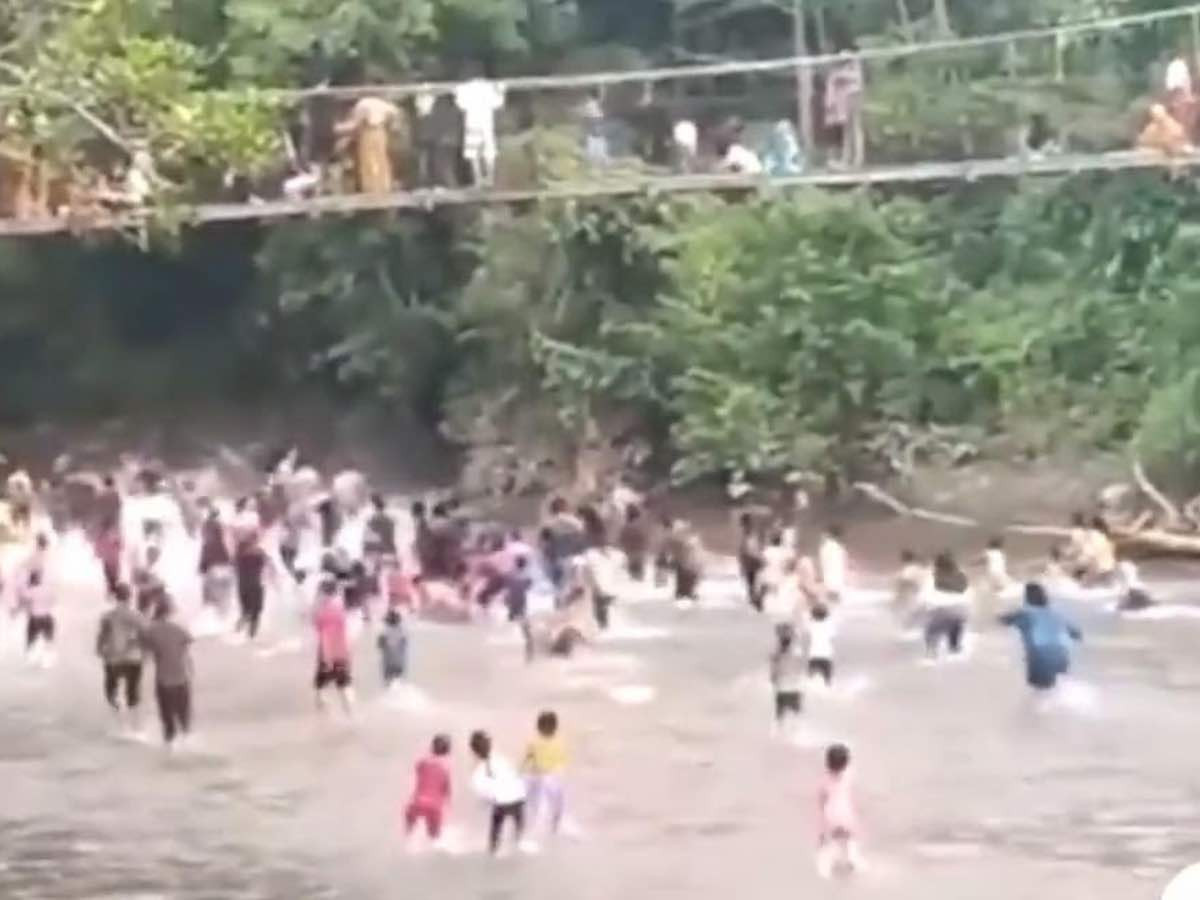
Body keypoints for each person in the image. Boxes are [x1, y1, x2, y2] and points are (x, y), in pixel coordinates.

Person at [999, 582, 1082, 693]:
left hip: (1041, 657)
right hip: (1062, 656)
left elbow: (1004, 621)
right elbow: (1076, 634)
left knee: (1040, 693)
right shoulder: (1055, 613)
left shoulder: (1025, 613)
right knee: (1055, 690)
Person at [141, 599, 194, 749]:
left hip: (164, 681)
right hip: (182, 679)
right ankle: (187, 749)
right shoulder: (179, 629)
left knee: (168, 722)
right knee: (184, 721)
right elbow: (187, 655)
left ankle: (169, 751)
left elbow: (146, 654)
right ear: (169, 612)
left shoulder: (150, 630)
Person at [469, 730, 529, 855]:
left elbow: (483, 793)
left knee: (496, 828)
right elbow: (515, 776)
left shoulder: (478, 769)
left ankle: (493, 849)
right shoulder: (500, 759)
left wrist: (484, 804)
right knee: (519, 824)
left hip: (502, 803)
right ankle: (519, 841)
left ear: (474, 751)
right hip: (518, 799)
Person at [96, 583, 146, 732]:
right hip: (134, 657)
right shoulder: (137, 615)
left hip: (113, 658)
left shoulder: (107, 616)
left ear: (115, 596)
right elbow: (145, 635)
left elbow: (102, 636)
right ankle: (136, 727)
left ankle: (119, 723)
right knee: (133, 691)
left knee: (111, 690)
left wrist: (99, 649)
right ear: (130, 597)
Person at [336, 96, 401, 194]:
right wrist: (392, 124)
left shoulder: (361, 105)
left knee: (369, 162)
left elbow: (355, 125)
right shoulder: (379, 102)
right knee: (381, 160)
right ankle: (384, 187)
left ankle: (371, 189)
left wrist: (338, 128)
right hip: (380, 131)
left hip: (368, 132)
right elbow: (395, 111)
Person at [816, 743, 863, 878]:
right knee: (850, 841)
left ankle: (825, 872)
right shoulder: (849, 775)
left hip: (830, 815)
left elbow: (822, 799)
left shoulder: (824, 779)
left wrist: (821, 827)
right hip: (847, 814)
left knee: (827, 845)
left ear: (827, 763)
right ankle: (854, 862)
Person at [454, 71, 505, 187]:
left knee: (474, 152)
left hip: (473, 122)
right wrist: (501, 90)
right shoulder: (489, 86)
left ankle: (479, 179)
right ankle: (489, 179)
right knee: (487, 152)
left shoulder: (464, 87)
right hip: (485, 122)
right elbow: (498, 103)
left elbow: (460, 104)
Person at [523, 710, 568, 836]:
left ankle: (551, 828)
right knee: (552, 804)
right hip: (550, 776)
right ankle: (552, 828)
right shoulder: (556, 742)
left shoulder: (536, 742)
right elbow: (529, 759)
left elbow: (528, 759)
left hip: (550, 776)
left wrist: (523, 772)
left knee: (551, 804)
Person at [313, 579, 354, 713]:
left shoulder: (322, 610)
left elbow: (318, 627)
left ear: (323, 592)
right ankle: (350, 711)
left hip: (327, 650)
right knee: (343, 682)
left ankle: (322, 707)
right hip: (341, 649)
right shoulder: (340, 607)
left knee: (322, 680)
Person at [405, 734, 453, 846]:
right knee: (434, 838)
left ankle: (406, 845)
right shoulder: (447, 766)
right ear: (448, 750)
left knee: (409, 831)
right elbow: (447, 790)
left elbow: (418, 770)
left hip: (417, 802)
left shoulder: (422, 761)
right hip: (435, 806)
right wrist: (448, 803)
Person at [825, 45, 866, 169]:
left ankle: (858, 158)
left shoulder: (854, 63)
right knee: (846, 130)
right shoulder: (843, 66)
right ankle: (846, 158)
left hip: (854, 96)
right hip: (845, 100)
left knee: (856, 128)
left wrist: (840, 74)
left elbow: (857, 79)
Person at [925, 551, 970, 658]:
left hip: (941, 608)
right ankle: (954, 647)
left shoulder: (934, 574)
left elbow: (926, 594)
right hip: (961, 609)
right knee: (956, 624)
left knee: (932, 630)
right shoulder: (961, 574)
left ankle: (931, 652)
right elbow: (964, 588)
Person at [234, 536, 271, 640]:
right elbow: (266, 561)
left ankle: (241, 630)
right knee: (255, 613)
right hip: (255, 586)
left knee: (246, 612)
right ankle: (251, 635)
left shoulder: (239, 557)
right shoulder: (257, 555)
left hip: (243, 587)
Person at [769, 623, 806, 727]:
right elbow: (801, 670)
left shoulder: (775, 656)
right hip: (794, 688)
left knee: (780, 719)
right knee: (797, 719)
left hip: (782, 689)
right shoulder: (797, 654)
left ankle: (778, 738)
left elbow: (773, 677)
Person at [199, 506, 233, 614]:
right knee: (224, 592)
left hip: (214, 566)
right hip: (223, 565)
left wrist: (202, 566)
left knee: (210, 592)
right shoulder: (222, 532)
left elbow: (203, 563)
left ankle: (214, 614)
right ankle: (223, 614)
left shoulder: (208, 541)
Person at [506, 555, 535, 662]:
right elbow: (529, 585)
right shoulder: (526, 577)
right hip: (522, 604)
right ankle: (529, 653)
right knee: (525, 630)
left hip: (512, 604)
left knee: (510, 625)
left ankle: (514, 652)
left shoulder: (510, 575)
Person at [893, 550, 931, 627]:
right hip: (922, 594)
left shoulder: (910, 569)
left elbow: (906, 582)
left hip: (916, 594)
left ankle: (909, 625)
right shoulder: (920, 569)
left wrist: (899, 594)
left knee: (909, 611)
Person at [737, 511, 766, 611]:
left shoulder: (748, 533)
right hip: (751, 560)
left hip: (751, 560)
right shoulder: (748, 533)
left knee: (753, 582)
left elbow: (746, 548)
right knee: (753, 582)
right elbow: (746, 548)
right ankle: (756, 600)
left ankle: (755, 600)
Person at [617, 505, 650, 584]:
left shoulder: (625, 527)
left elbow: (621, 540)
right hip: (640, 552)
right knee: (639, 575)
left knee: (633, 575)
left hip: (630, 553)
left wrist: (625, 549)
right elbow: (645, 539)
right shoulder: (641, 526)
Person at [805, 603, 836, 686]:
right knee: (828, 681)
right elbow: (832, 636)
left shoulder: (811, 625)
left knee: (810, 680)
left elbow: (807, 629)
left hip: (813, 655)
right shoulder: (830, 626)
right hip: (826, 655)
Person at [377, 609, 408, 688]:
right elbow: (404, 645)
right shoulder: (402, 631)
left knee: (388, 683)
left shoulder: (384, 632)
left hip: (388, 662)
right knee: (398, 681)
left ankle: (390, 698)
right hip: (399, 662)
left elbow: (379, 645)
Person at [818, 525, 849, 604]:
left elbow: (823, 565)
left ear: (829, 535)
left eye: (824, 534)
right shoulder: (839, 548)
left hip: (829, 583)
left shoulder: (826, 547)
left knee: (831, 603)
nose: (822, 536)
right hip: (837, 583)